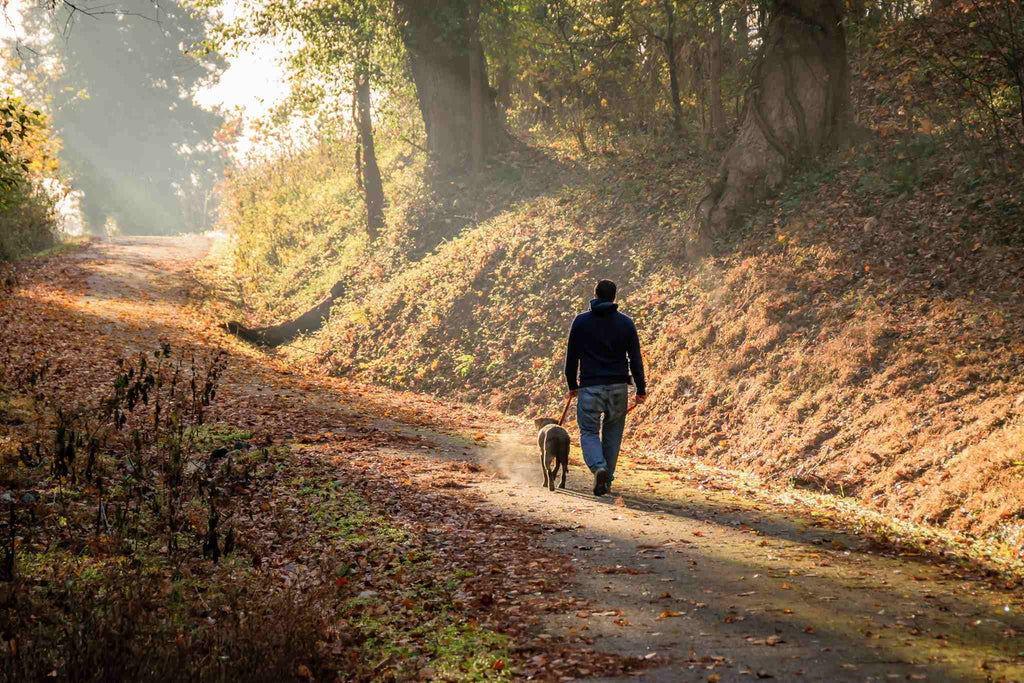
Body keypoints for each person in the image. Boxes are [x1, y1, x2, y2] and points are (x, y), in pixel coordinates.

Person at [564, 279, 646, 496]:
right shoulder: (626, 323)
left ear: (595, 294)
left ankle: (599, 467)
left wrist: (572, 384)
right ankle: (606, 480)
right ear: (614, 298)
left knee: (589, 431)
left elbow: (572, 357)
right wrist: (641, 388)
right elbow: (635, 358)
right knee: (613, 432)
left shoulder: (581, 322)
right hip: (619, 387)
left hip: (591, 387)